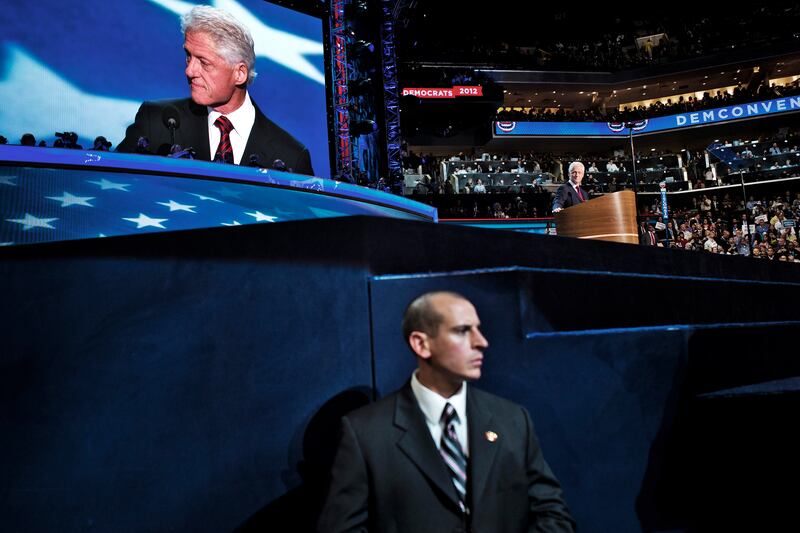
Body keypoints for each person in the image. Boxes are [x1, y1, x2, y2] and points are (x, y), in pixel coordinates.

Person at [318, 291, 574, 533]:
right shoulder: (365, 434)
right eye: (463, 331)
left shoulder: (513, 420)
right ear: (421, 344)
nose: (481, 342)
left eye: (478, 329)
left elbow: (553, 513)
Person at [117, 5, 313, 175]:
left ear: (240, 74)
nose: (189, 70)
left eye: (204, 62)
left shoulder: (291, 156)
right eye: (188, 56)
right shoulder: (155, 121)